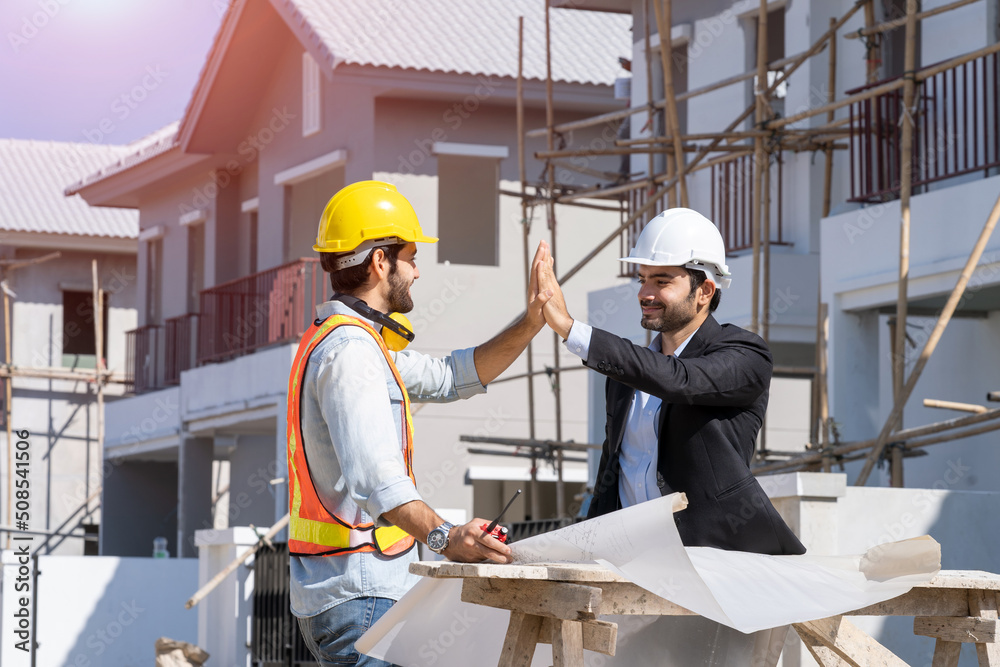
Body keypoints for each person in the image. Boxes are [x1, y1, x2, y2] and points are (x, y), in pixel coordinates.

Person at [287, 180, 553, 666]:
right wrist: (446, 538)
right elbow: (378, 479)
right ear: (379, 262)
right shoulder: (351, 354)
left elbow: (453, 377)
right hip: (361, 595)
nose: (417, 270)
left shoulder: (353, 345)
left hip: (353, 594)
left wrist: (532, 321)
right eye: (410, 255)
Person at [535, 207, 805, 556]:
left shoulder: (745, 354)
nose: (645, 293)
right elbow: (613, 471)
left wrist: (573, 330)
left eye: (662, 281)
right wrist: (583, 549)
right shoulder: (626, 374)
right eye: (642, 279)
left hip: (717, 561)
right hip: (634, 562)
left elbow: (680, 380)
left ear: (705, 290)